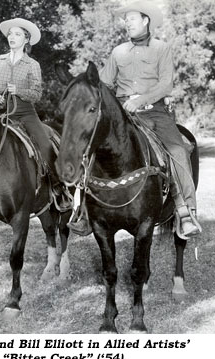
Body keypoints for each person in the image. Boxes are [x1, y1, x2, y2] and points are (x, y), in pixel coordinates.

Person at [70, 1, 201, 238]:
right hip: (122, 114)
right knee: (91, 147)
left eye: (131, 19)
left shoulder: (162, 48)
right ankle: (83, 212)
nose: (127, 23)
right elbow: (105, 82)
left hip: (155, 112)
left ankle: (185, 211)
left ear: (145, 20)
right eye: (125, 20)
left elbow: (166, 84)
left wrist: (140, 101)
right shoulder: (118, 52)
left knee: (178, 151)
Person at [0, 18, 71, 212]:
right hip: (2, 115)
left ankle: (57, 187)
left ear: (26, 39)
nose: (12, 37)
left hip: (25, 113)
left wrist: (18, 90)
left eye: (17, 34)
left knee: (45, 144)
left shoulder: (32, 64)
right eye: (10, 34)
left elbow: (37, 94)